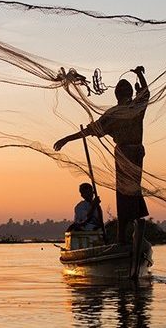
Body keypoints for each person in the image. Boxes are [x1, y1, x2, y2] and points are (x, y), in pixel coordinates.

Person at [54, 66, 149, 279]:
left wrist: (67, 139)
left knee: (125, 193)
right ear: (130, 94)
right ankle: (132, 232)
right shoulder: (135, 107)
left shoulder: (115, 114)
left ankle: (126, 238)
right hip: (136, 152)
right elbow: (147, 93)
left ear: (117, 95)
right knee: (131, 191)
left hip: (125, 153)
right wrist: (140, 76)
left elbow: (88, 131)